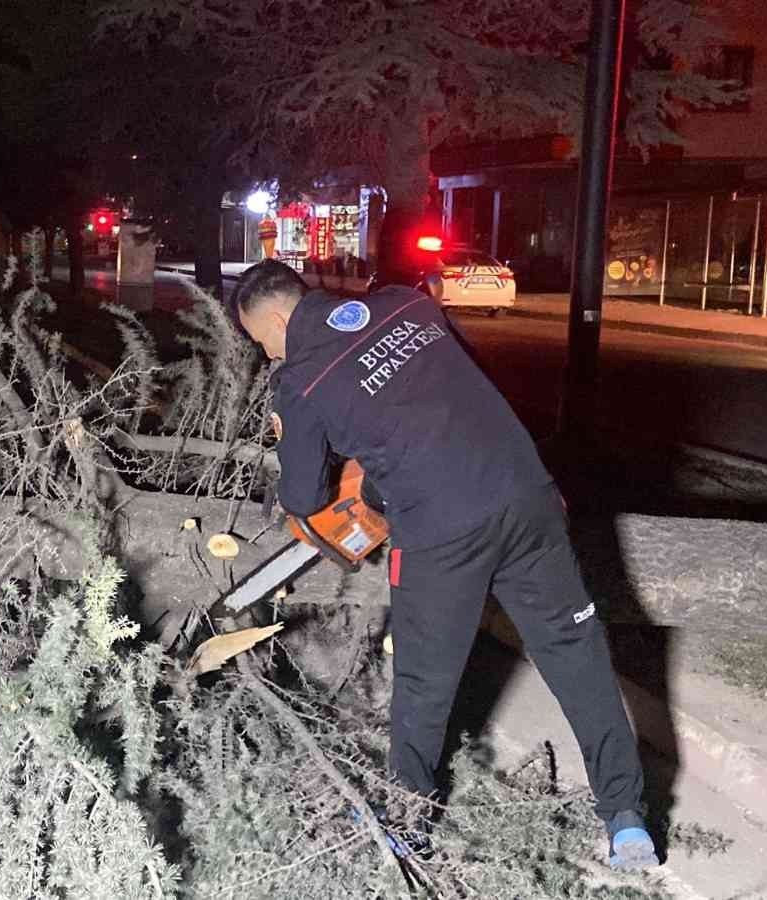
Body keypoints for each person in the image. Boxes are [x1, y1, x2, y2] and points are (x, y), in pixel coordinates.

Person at [228, 259, 657, 870]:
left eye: (262, 341)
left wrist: (285, 434)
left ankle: (408, 821)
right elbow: (456, 394)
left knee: (425, 683)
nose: (269, 353)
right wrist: (377, 479)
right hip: (528, 495)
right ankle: (626, 817)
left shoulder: (301, 380)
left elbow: (301, 498)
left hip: (441, 530)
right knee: (575, 655)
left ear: (274, 319)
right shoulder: (405, 303)